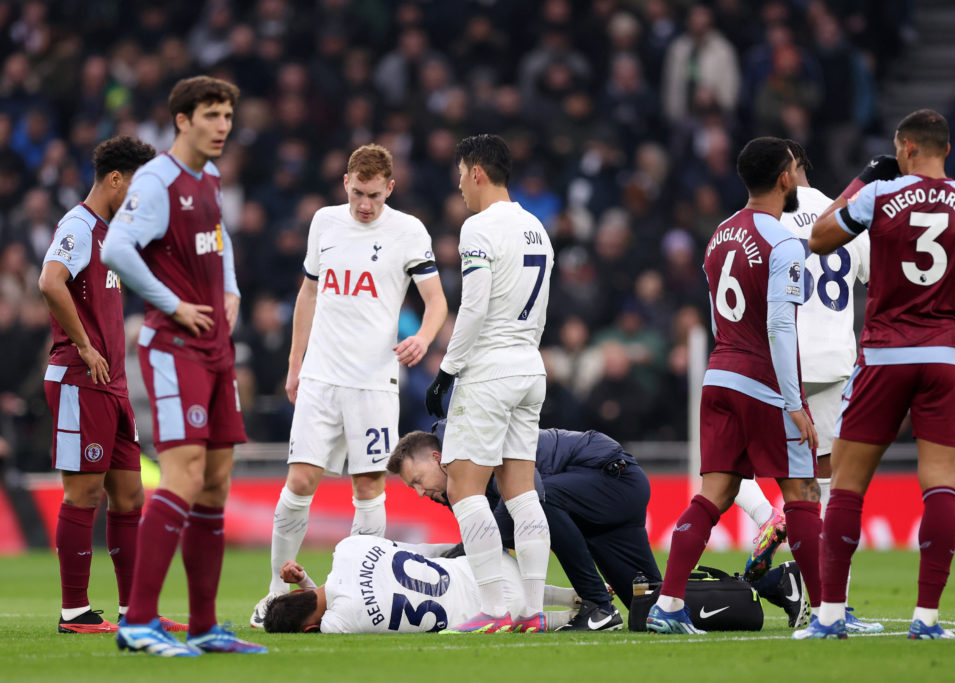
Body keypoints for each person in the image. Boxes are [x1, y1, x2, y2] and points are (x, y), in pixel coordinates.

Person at [803, 109, 955, 640]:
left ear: (904, 148)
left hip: (883, 354)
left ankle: (830, 616)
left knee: (849, 486)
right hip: (945, 357)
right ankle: (927, 620)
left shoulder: (881, 196)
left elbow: (818, 238)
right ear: (945, 149)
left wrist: (859, 183)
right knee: (940, 487)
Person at [249, 144, 447, 628]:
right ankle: (276, 592)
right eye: (358, 193)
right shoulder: (324, 222)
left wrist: (422, 337)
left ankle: (360, 588)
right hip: (320, 376)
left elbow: (436, 299)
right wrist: (295, 363)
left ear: (390, 189)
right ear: (345, 184)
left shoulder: (408, 231)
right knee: (299, 482)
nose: (365, 205)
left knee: (369, 485)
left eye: (375, 196)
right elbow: (309, 292)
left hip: (374, 382)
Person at [101, 76, 265, 657]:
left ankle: (202, 627)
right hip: (174, 346)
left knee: (216, 484)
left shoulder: (211, 178)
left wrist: (233, 288)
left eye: (227, 115)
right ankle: (138, 623)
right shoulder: (158, 179)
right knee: (184, 474)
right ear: (182, 120)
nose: (222, 126)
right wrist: (171, 303)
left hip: (217, 348)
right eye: (212, 115)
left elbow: (217, 243)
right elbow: (116, 250)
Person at [647, 136, 822, 635]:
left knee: (713, 495)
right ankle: (826, 613)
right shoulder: (784, 241)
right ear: (785, 178)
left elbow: (718, 314)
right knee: (803, 493)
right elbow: (780, 327)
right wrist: (795, 403)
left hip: (719, 375)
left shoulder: (719, 234)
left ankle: (670, 605)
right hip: (762, 383)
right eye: (794, 166)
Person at [732, 140, 883, 633]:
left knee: (731, 471)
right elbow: (868, 277)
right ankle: (832, 603)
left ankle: (773, 518)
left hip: (777, 362)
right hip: (834, 363)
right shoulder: (840, 214)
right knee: (832, 488)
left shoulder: (760, 218)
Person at [423, 134, 554, 633]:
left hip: (491, 369)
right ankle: (533, 610)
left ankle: (495, 610)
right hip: (528, 364)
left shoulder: (478, 228)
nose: (458, 185)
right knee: (521, 493)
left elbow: (474, 307)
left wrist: (448, 370)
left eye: (460, 174)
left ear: (477, 172)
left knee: (463, 486)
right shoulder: (536, 227)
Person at [38, 136, 166, 635]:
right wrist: (87, 346)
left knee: (130, 495)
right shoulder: (78, 225)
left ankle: (137, 611)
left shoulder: (110, 234)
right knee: (84, 493)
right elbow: (50, 282)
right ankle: (74, 612)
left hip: (110, 383)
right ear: (115, 180)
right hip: (79, 377)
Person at [388, 423, 660, 631]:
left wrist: (457, 554)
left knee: (530, 500)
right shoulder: (455, 485)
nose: (420, 492)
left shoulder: (471, 448)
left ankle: (598, 606)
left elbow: (506, 519)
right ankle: (685, 605)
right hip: (600, 509)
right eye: (413, 487)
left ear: (437, 458)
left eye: (418, 480)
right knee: (653, 613)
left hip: (613, 477)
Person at [260, 535, 581, 634]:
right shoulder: (347, 548)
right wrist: (304, 580)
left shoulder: (336, 626)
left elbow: (334, 608)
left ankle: (567, 621)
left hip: (492, 615)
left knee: (475, 612)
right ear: (300, 592)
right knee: (450, 562)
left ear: (307, 630)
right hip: (491, 565)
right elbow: (334, 591)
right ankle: (571, 596)